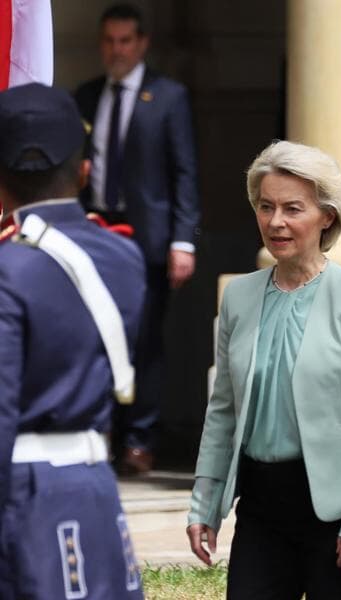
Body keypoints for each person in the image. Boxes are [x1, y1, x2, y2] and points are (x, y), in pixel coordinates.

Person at [186, 140, 341, 599]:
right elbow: (222, 411)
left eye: (292, 208)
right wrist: (204, 505)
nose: (276, 222)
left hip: (339, 510)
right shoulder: (240, 297)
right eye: (266, 207)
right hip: (262, 507)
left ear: (326, 216)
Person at [0, 83, 146, 599]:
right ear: (84, 170)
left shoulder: (9, 268)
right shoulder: (123, 259)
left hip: (21, 502)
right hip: (95, 490)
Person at [75, 2, 201, 475]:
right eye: (109, 40)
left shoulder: (167, 96)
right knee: (95, 335)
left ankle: (139, 440)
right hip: (93, 231)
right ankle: (100, 430)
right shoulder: (85, 97)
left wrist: (183, 241)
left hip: (148, 237)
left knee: (145, 338)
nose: (117, 49)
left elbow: (185, 171)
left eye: (125, 40)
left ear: (142, 43)